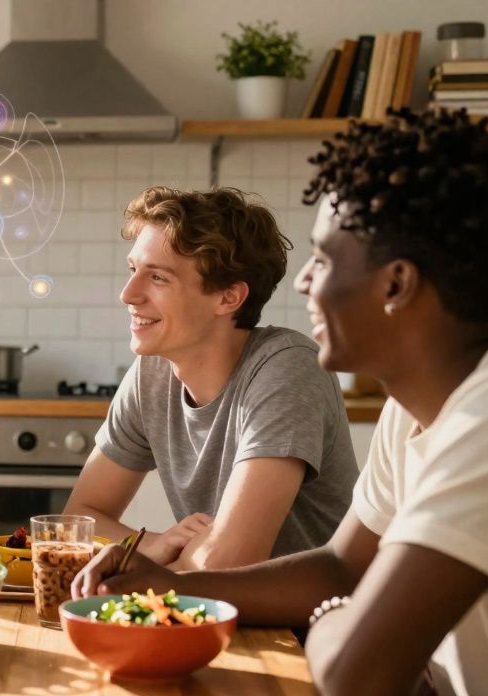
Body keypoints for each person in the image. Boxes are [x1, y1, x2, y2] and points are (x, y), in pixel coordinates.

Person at [74, 109, 488, 696]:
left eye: (326, 260)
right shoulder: (413, 410)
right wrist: (166, 582)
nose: (302, 280)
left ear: (397, 283)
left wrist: (332, 614)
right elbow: (341, 566)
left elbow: (361, 678)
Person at [63, 186, 357, 570]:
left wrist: (136, 559)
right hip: (209, 611)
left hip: (303, 624)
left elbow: (229, 562)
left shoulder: (288, 369)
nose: (128, 294)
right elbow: (78, 522)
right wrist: (151, 544)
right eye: (134, 270)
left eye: (158, 278)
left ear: (228, 298)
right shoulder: (152, 375)